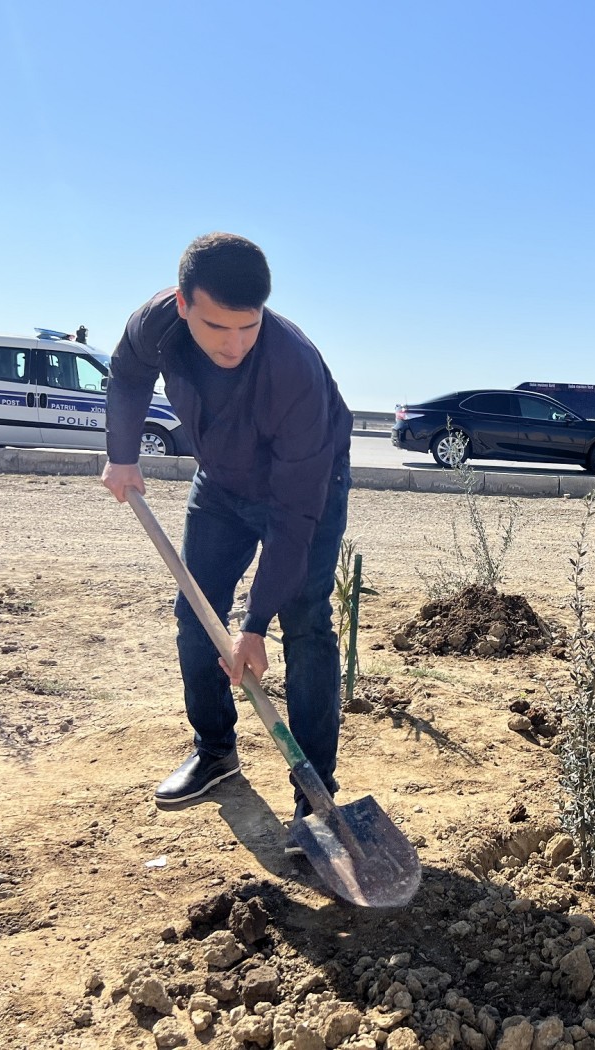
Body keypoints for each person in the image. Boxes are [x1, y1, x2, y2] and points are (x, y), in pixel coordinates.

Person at [100, 233, 351, 850]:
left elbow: (295, 518)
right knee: (195, 617)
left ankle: (316, 803)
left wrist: (256, 624)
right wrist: (122, 455)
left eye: (249, 326)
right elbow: (127, 375)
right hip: (220, 482)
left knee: (306, 625)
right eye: (218, 327)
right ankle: (215, 751)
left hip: (305, 491)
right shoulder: (155, 323)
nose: (235, 343)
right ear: (183, 305)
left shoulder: (292, 369)